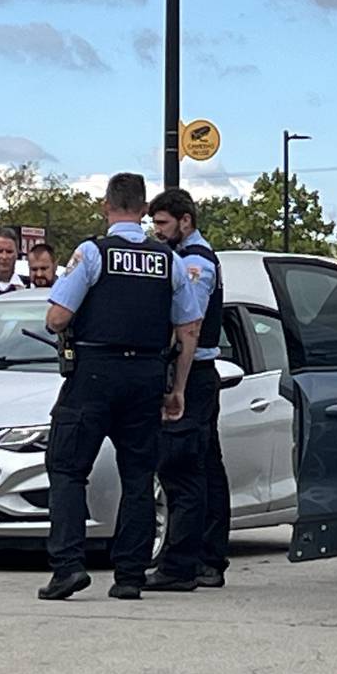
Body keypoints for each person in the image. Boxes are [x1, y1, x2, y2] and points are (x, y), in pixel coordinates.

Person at [38, 173, 203, 602]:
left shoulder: (92, 253)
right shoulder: (169, 260)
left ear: (105, 206)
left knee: (67, 468)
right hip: (146, 375)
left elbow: (56, 317)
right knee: (138, 475)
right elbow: (189, 328)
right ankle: (129, 575)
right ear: (145, 210)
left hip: (94, 373)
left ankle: (68, 567)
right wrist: (178, 387)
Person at [146, 188, 230, 591]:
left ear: (185, 220)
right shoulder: (188, 256)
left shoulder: (194, 262)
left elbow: (188, 327)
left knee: (181, 468)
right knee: (205, 468)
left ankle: (182, 564)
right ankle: (206, 559)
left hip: (192, 372)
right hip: (199, 374)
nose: (157, 231)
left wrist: (176, 385)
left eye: (162, 223)